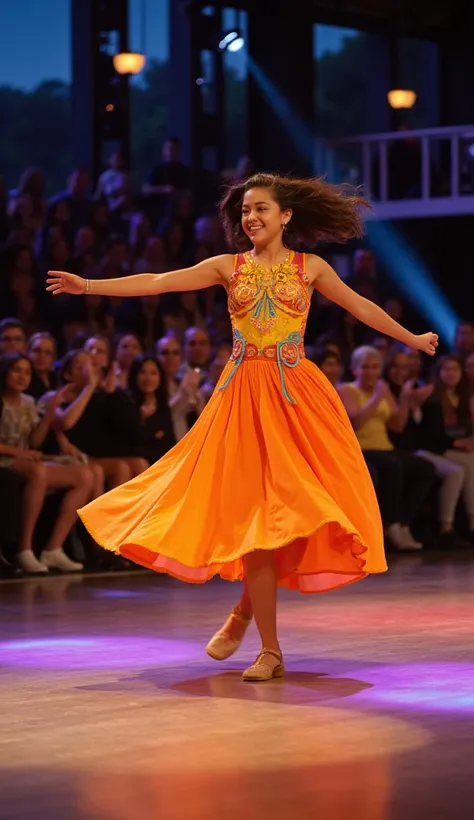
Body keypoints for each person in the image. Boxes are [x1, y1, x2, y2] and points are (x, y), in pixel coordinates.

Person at [46, 172, 438, 682]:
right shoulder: (227, 268)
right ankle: (270, 651)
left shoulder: (311, 267)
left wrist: (410, 338)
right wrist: (88, 286)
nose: (250, 218)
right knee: (258, 522)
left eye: (261, 209)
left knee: (292, 515)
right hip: (242, 398)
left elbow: (360, 306)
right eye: (245, 211)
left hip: (298, 398)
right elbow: (161, 282)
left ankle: (243, 613)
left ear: (286, 216)